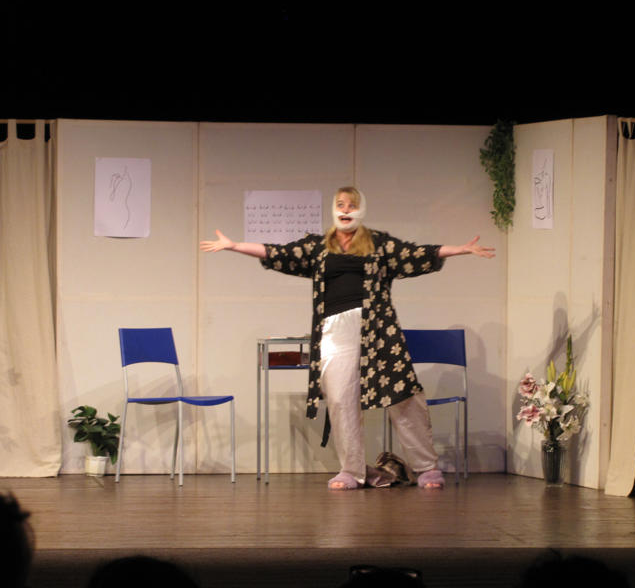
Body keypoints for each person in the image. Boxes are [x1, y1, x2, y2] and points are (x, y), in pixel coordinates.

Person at [201, 187, 494, 490]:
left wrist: (459, 250)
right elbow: (279, 253)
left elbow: (415, 254)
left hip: (377, 329)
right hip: (333, 330)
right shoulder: (318, 246)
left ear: (360, 209)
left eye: (351, 204)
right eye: (340, 204)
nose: (345, 209)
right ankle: (352, 470)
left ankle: (426, 467)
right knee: (340, 398)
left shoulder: (378, 243)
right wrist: (234, 246)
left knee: (403, 396)